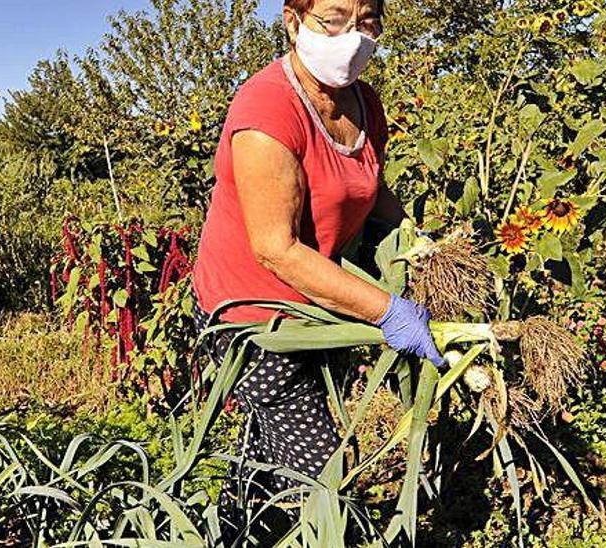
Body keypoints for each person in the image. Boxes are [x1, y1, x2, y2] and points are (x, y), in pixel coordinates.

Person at [189, 0, 442, 541]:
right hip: (253, 316)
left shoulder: (365, 103)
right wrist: (388, 310)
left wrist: (423, 248)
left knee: (268, 452)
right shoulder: (267, 110)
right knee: (328, 476)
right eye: (333, 18)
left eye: (366, 20)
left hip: (315, 303)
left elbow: (370, 191)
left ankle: (239, 532)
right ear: (293, 19)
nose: (352, 36)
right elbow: (276, 250)